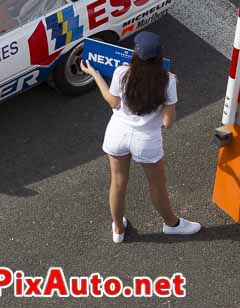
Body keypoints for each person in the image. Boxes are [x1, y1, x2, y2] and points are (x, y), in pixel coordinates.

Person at [81, 31, 201, 243]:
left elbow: (113, 102)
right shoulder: (168, 81)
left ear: (135, 54)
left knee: (117, 183)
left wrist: (96, 75)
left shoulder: (121, 73)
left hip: (117, 133)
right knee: (157, 185)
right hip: (147, 140)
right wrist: (170, 98)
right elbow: (168, 123)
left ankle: (118, 229)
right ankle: (172, 224)